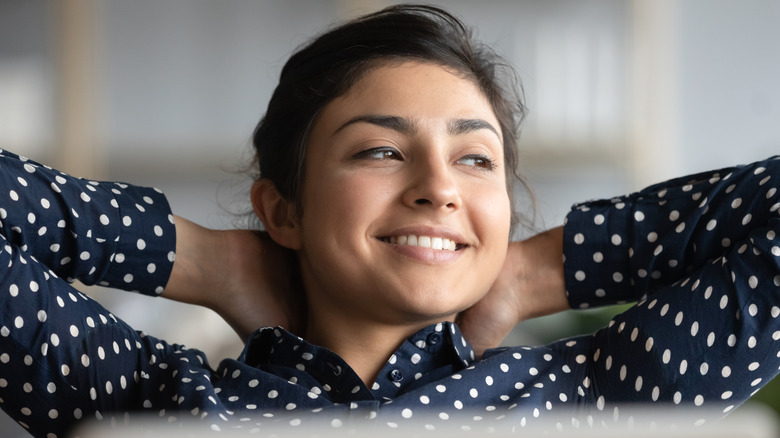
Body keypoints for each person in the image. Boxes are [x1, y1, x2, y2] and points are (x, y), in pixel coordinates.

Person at [1, 4, 779, 437]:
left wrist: (541, 270)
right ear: (284, 209)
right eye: (379, 151)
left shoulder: (592, 397)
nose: (439, 187)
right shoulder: (151, 401)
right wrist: (203, 260)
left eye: (477, 161)